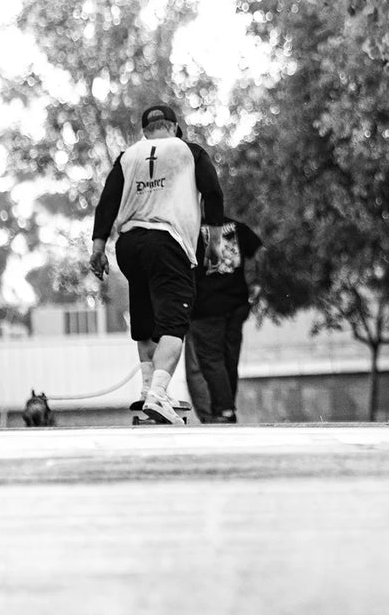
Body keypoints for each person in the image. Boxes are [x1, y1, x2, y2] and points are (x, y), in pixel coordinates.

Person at [89, 103, 225, 424]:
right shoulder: (188, 150)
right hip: (167, 243)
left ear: (145, 132)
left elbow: (107, 203)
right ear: (175, 129)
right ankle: (159, 395)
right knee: (174, 323)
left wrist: (97, 248)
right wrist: (215, 244)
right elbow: (213, 193)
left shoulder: (129, 156)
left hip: (129, 246)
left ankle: (148, 388)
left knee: (145, 320)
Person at [188, 216, 263, 424]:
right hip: (235, 304)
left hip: (206, 307)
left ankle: (224, 409)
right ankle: (226, 407)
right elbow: (257, 252)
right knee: (230, 357)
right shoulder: (237, 227)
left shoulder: (190, 230)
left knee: (211, 359)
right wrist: (255, 282)